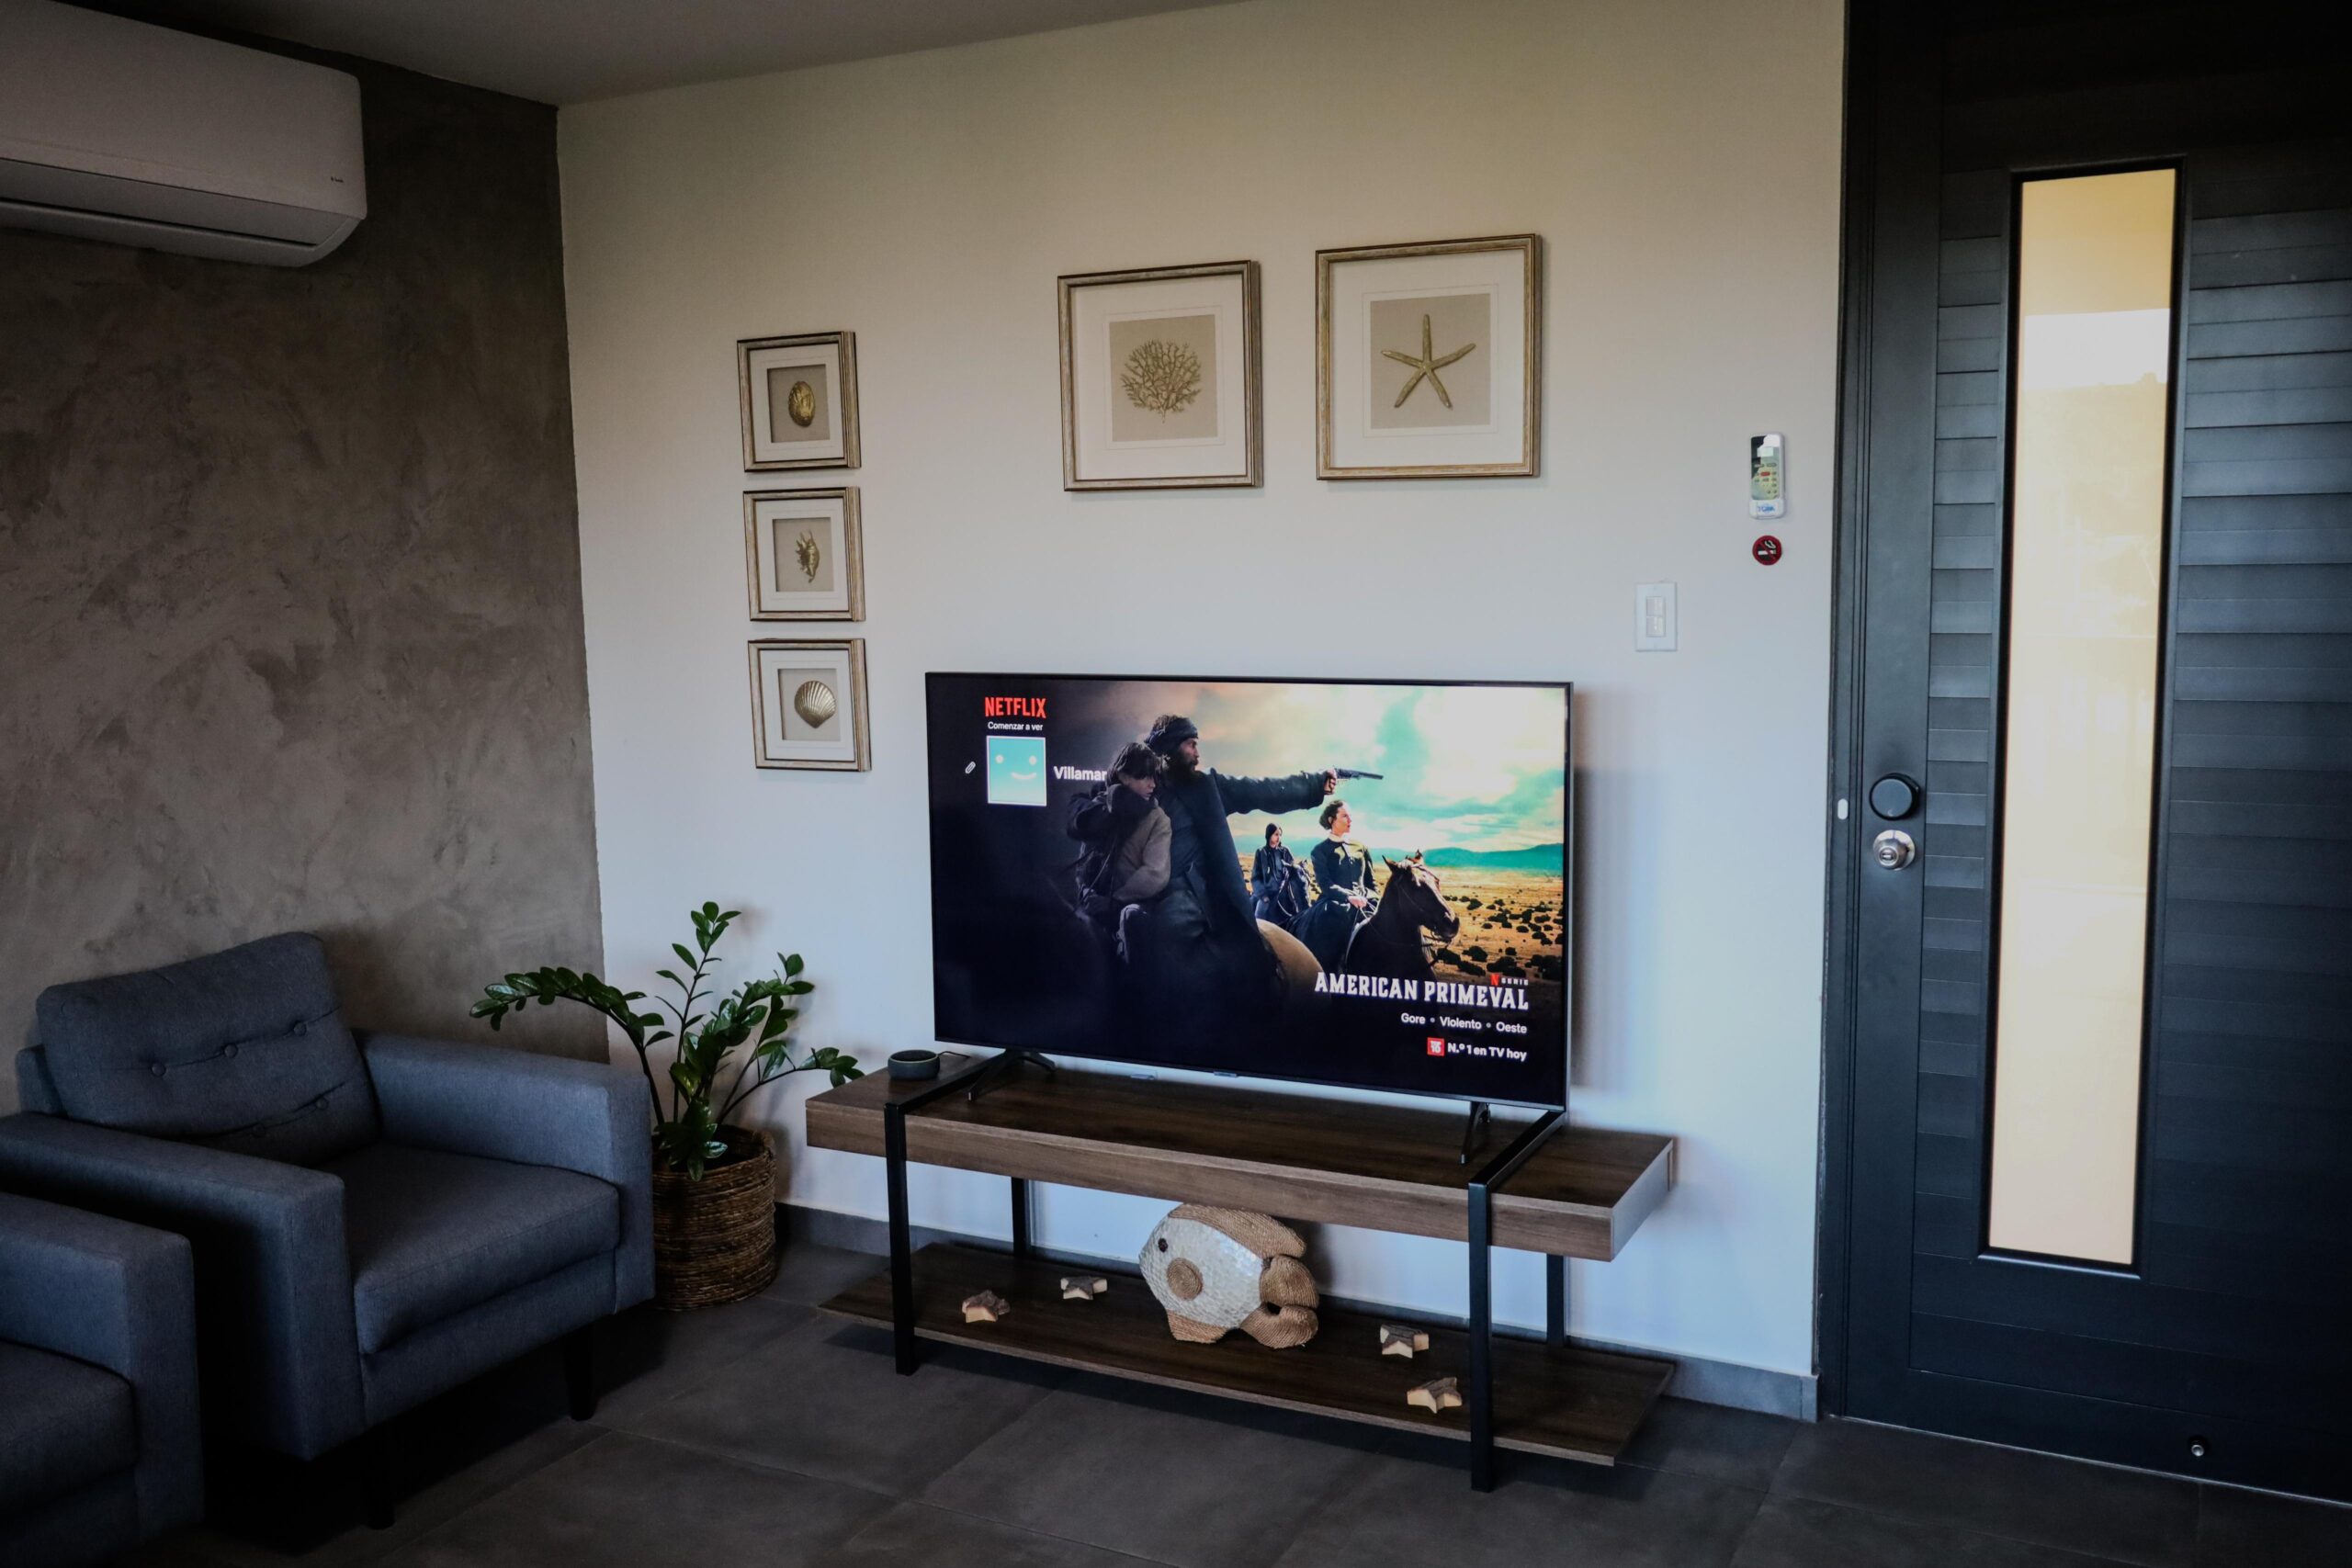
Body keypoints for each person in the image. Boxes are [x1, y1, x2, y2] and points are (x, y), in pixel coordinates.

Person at [1071, 713, 1334, 1047]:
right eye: (1191, 744)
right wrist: (1110, 807)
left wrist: (1313, 785)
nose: (1197, 753)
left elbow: (1264, 790)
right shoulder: (1127, 781)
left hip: (1180, 893)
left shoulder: (1205, 786)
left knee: (1171, 941)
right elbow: (1078, 813)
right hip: (1113, 888)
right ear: (1169, 748)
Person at [1071, 742, 1170, 943]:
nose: (1152, 784)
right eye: (1144, 776)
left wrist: (1116, 901)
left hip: (1132, 911)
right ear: (1124, 777)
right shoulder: (1099, 807)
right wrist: (1086, 891)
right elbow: (1085, 857)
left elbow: (1155, 873)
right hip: (1090, 908)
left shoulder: (1157, 819)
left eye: (1154, 777)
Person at [1299, 798, 1378, 972]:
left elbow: (1371, 882)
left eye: (1350, 816)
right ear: (1331, 820)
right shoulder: (1320, 850)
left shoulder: (1361, 847)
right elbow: (1325, 884)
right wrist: (1348, 897)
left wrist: (1372, 897)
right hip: (1334, 904)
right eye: (1344, 816)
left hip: (1365, 903)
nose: (1350, 820)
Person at [1251, 823, 1307, 930]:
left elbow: (1293, 870)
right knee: (1260, 914)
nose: (1278, 837)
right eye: (1276, 834)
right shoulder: (1261, 853)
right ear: (1269, 835)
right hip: (1266, 894)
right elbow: (1255, 877)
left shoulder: (1285, 852)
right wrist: (1263, 896)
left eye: (1280, 835)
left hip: (1284, 892)